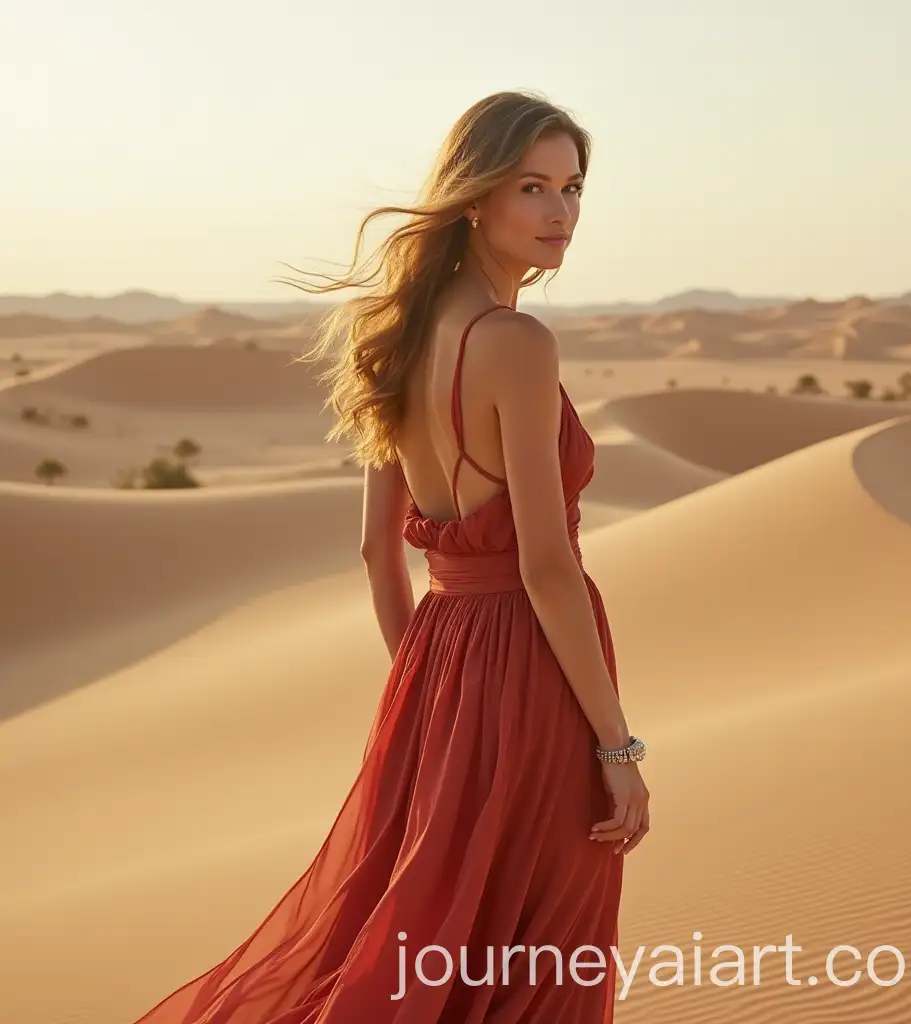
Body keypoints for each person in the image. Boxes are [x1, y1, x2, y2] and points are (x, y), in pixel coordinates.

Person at [129, 89, 650, 1024]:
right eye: (532, 186)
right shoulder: (516, 341)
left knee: (434, 938)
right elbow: (545, 567)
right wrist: (617, 745)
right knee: (538, 959)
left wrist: (431, 701)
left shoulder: (397, 334)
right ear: (475, 196)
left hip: (436, 667)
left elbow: (378, 555)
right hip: (535, 673)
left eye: (574, 188)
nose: (560, 213)